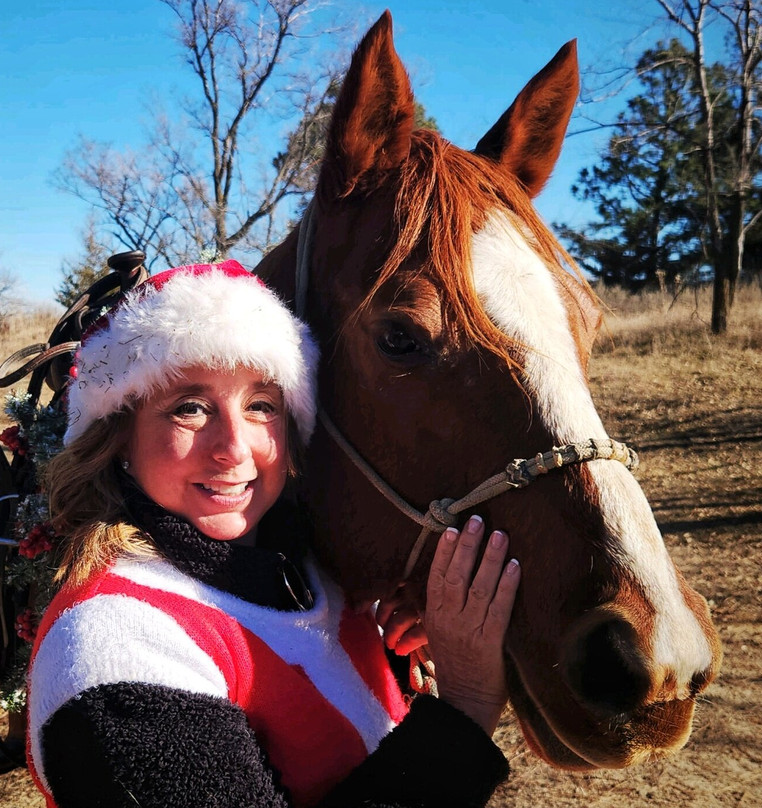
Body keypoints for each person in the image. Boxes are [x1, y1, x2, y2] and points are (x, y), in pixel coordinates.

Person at [27, 260, 521, 808]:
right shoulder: (115, 645)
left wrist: (415, 653)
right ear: (117, 435)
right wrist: (468, 704)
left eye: (261, 405)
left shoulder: (308, 571)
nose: (235, 448)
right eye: (189, 408)